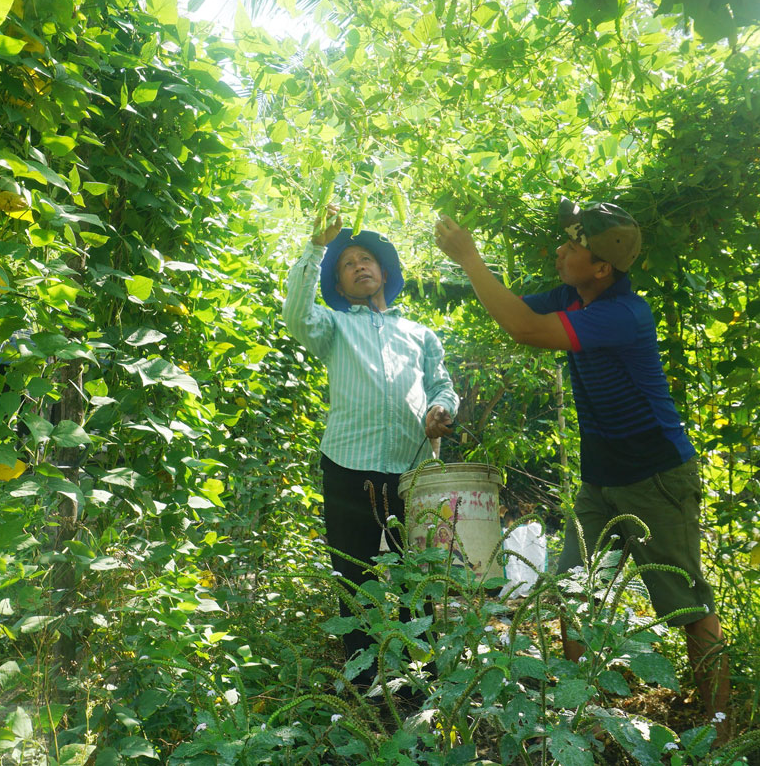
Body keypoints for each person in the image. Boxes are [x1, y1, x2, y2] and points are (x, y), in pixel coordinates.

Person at [433, 199, 730, 726]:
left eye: (575, 247)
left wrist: (471, 260)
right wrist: (465, 271)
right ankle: (582, 714)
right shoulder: (574, 297)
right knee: (572, 589)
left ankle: (720, 730)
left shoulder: (622, 314)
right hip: (599, 481)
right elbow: (516, 310)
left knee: (686, 605)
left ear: (602, 267)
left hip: (655, 477)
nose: (561, 251)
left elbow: (524, 329)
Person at [283, 206, 459, 689]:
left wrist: (443, 411)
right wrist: (318, 246)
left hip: (414, 471)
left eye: (367, 259)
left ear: (385, 273)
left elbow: (443, 386)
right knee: (354, 576)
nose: (359, 265)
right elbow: (295, 314)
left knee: (417, 575)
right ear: (339, 285)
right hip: (348, 467)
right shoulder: (334, 327)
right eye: (348, 263)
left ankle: (423, 674)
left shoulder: (420, 334)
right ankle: (365, 684)